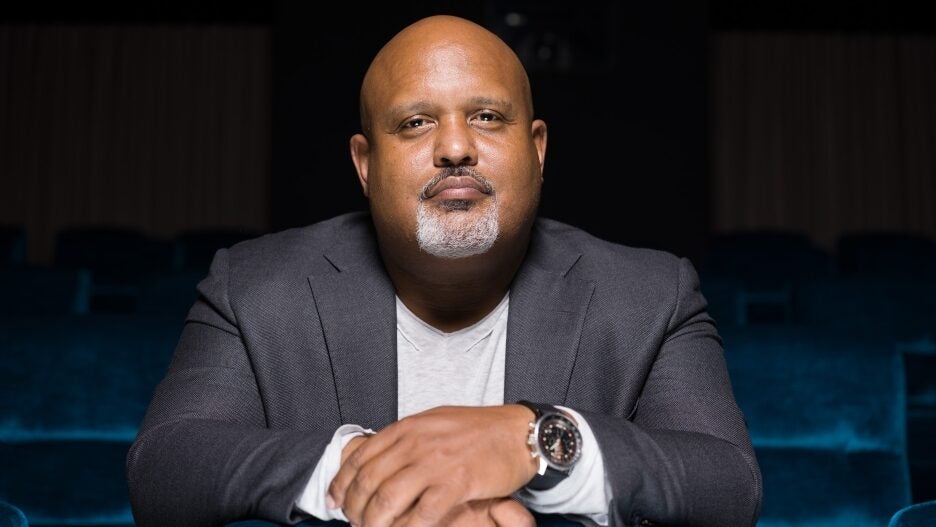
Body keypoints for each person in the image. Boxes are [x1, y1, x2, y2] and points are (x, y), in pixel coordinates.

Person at [127, 14, 762, 527]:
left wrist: (535, 441)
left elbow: (728, 485)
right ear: (365, 164)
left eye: (486, 117)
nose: (455, 147)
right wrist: (381, 472)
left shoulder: (649, 295)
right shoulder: (254, 287)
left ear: (537, 149)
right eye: (415, 123)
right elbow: (166, 469)